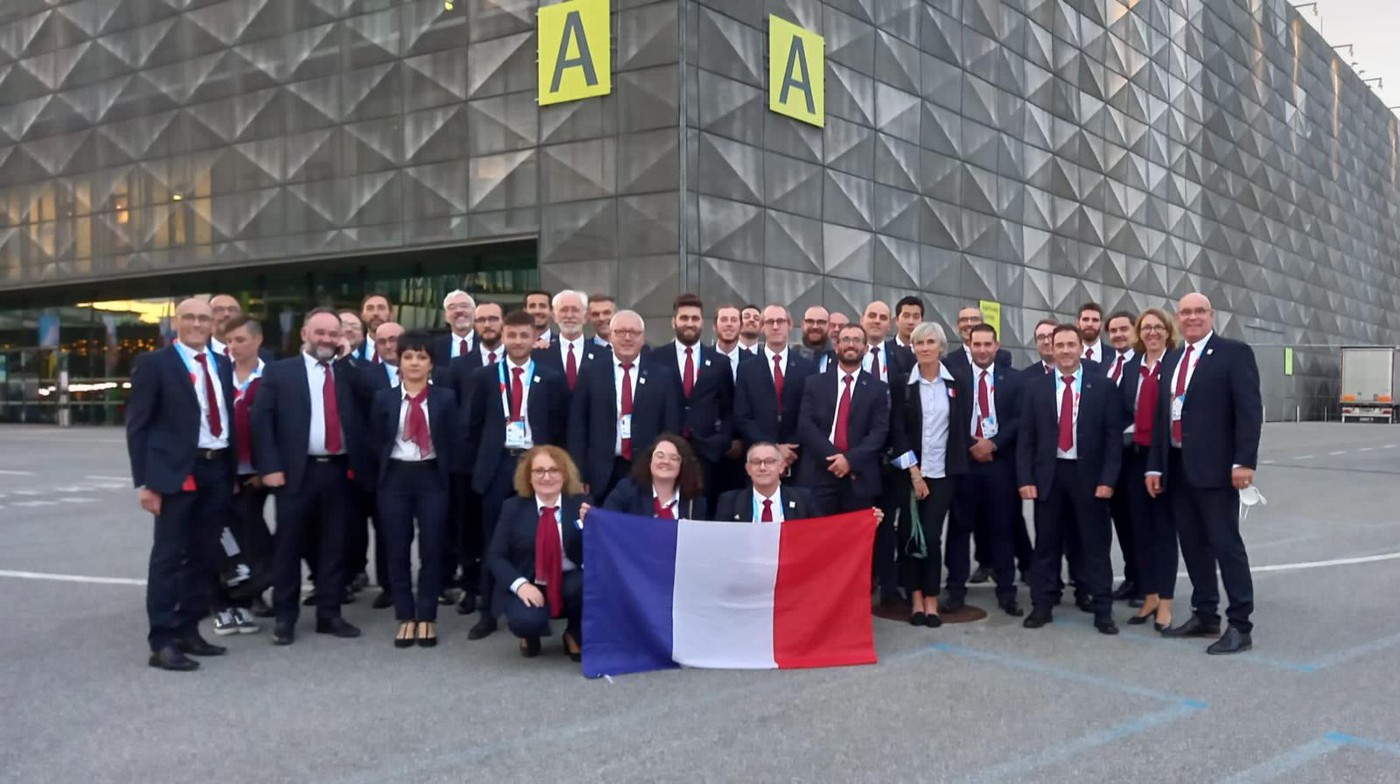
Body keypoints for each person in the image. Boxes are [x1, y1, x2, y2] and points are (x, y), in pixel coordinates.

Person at [1146, 293, 1262, 655]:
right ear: (1177, 319)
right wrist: (1155, 464)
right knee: (1193, 545)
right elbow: (1163, 417)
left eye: (1199, 311)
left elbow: (1249, 411)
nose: (1192, 317)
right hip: (1179, 468)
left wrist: (1244, 462)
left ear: (1211, 315)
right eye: (1186, 312)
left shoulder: (1233, 353)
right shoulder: (1174, 359)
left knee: (1225, 546)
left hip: (1217, 470)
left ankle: (1240, 624)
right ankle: (1206, 614)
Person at [126, 297, 238, 671]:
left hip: (217, 468)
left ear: (212, 325)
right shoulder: (154, 364)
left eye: (203, 318)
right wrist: (146, 482)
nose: (197, 324)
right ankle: (162, 641)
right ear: (175, 323)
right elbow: (138, 426)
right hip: (178, 472)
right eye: (189, 317)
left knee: (205, 556)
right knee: (168, 558)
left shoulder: (222, 364)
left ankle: (189, 629)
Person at [252, 308, 367, 645]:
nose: (327, 340)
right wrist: (270, 468)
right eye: (321, 333)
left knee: (334, 547)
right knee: (288, 547)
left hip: (338, 471)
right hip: (295, 474)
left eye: (333, 334)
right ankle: (285, 618)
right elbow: (263, 422)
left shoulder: (347, 371)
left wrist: (347, 361)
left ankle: (329, 614)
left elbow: (371, 395)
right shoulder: (279, 372)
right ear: (304, 334)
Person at [462, 310, 568, 641]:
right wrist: (478, 467)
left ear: (535, 338)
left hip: (537, 467)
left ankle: (538, 605)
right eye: (512, 335)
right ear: (503, 337)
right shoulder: (484, 376)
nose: (518, 342)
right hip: (497, 466)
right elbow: (472, 426)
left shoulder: (550, 377)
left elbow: (558, 426)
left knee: (537, 536)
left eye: (525, 336)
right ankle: (488, 613)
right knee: (493, 539)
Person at [1018, 324, 1122, 636]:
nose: (1064, 350)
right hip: (1049, 476)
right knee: (1046, 545)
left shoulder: (1102, 387)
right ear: (1051, 348)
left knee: (1094, 545)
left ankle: (1102, 608)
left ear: (1080, 348)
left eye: (1070, 345)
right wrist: (1025, 478)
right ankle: (1042, 604)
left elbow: (1113, 439)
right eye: (1058, 344)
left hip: (1088, 477)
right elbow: (1027, 438)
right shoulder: (1036, 388)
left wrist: (1108, 480)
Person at [372, 331, 457, 649]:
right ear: (398, 360)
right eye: (408, 356)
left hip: (431, 477)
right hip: (395, 477)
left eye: (421, 357)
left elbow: (453, 440)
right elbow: (375, 440)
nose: (414, 363)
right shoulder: (385, 398)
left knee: (432, 548)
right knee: (396, 548)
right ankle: (405, 615)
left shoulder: (445, 398)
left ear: (431, 363)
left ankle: (427, 615)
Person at [890, 322, 970, 627]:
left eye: (930, 342)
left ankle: (933, 599)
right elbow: (897, 430)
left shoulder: (957, 382)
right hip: (911, 472)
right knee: (910, 536)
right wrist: (913, 473)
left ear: (941, 346)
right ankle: (916, 601)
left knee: (932, 537)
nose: (924, 347)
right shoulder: (902, 384)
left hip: (943, 473)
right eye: (918, 342)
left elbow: (960, 427)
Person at [950, 324, 1026, 616]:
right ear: (968, 345)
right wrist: (973, 444)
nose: (982, 350)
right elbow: (950, 418)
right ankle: (956, 591)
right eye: (976, 344)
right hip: (965, 462)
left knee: (1002, 528)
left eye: (987, 344)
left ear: (997, 346)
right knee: (959, 529)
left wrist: (993, 443)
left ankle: (1007, 591)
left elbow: (1020, 419)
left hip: (1000, 464)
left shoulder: (1014, 380)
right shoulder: (955, 378)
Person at [568, 310, 681, 503]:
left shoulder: (662, 375)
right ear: (610, 336)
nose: (627, 338)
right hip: (600, 472)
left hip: (646, 469)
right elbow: (577, 427)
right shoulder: (590, 373)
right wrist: (579, 473)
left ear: (642, 338)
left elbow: (670, 427)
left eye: (633, 332)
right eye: (620, 332)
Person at [487, 445, 588, 660]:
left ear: (565, 474)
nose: (547, 476)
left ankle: (573, 632)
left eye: (554, 470)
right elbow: (496, 556)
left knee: (584, 585)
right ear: (529, 477)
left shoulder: (581, 505)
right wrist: (521, 585)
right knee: (527, 621)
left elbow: (598, 551)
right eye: (539, 471)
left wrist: (591, 527)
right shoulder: (512, 508)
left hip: (569, 578)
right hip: (530, 579)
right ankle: (530, 634)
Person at [211, 315, 272, 634]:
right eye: (229, 341)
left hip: (259, 475)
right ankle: (223, 606)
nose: (233, 347)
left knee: (255, 540)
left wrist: (267, 470)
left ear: (257, 340)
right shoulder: (217, 375)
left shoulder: (272, 376)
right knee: (220, 541)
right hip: (222, 474)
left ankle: (247, 599)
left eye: (240, 340)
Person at [1122, 308, 1178, 631]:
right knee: (1139, 530)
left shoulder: (1175, 364)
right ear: (1139, 333)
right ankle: (1151, 594)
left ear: (1168, 332)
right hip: (1135, 456)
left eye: (1158, 327)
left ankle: (1166, 603)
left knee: (1163, 531)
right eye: (1146, 328)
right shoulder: (1132, 368)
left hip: (1165, 458)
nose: (1152, 332)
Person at [797, 323, 890, 514]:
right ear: (836, 345)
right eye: (846, 339)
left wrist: (849, 460)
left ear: (865, 348)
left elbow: (878, 433)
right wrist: (834, 459)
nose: (851, 344)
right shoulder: (814, 383)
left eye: (857, 340)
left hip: (859, 475)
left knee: (854, 540)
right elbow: (806, 426)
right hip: (819, 472)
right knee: (818, 538)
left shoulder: (878, 389)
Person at [657, 294, 733, 508]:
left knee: (703, 510)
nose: (689, 323)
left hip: (707, 453)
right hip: (667, 449)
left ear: (702, 322)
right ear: (674, 322)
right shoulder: (656, 358)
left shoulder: (720, 362)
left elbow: (728, 408)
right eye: (684, 318)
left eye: (695, 318)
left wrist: (721, 441)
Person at [734, 305, 816, 473]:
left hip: (797, 457)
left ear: (790, 324)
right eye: (770, 322)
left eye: (780, 321)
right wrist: (773, 448)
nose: (776, 326)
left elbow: (811, 413)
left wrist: (791, 448)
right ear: (762, 326)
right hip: (759, 456)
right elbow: (742, 416)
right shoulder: (746, 368)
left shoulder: (807, 368)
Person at [1103, 309, 1142, 606]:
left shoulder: (1143, 365)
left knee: (1139, 521)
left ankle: (1146, 584)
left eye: (1123, 329)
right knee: (1122, 524)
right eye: (1113, 330)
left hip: (1134, 457)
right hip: (1108, 459)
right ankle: (1132, 579)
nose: (1117, 334)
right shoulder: (1105, 364)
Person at [599, 434, 708, 519]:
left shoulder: (695, 503)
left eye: (674, 458)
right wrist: (592, 517)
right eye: (660, 456)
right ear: (649, 461)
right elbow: (607, 522)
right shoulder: (627, 490)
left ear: (683, 465)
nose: (666, 461)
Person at [715, 442, 824, 522]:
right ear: (748, 469)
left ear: (781, 467)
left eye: (769, 461)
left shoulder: (802, 498)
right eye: (756, 462)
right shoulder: (730, 502)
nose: (762, 468)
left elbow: (818, 535)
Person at [533, 289, 594, 390]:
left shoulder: (603, 355)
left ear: (585, 316)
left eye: (575, 310)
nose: (569, 316)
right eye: (563, 310)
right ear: (554, 316)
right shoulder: (539, 354)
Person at [945, 307, 1013, 373]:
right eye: (964, 320)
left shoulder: (1002, 357)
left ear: (982, 323)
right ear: (957, 325)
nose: (969, 323)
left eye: (974, 319)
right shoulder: (948, 361)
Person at [429, 290, 476, 369]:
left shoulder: (486, 343)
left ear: (474, 312)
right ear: (445, 316)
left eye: (464, 306)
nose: (459, 311)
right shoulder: (434, 347)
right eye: (452, 307)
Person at [712, 304, 749, 377]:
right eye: (724, 320)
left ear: (741, 326)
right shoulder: (702, 358)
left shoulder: (753, 361)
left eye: (734, 320)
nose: (729, 324)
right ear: (715, 326)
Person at [797, 305, 834, 372]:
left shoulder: (839, 359)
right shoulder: (792, 357)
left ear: (829, 326)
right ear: (803, 325)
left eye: (821, 322)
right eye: (810, 321)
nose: (815, 327)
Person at [358, 293, 392, 363]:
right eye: (370, 308)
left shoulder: (402, 350)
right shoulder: (354, 351)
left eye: (381, 308)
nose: (375, 313)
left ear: (391, 314)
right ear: (362, 315)